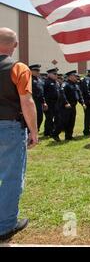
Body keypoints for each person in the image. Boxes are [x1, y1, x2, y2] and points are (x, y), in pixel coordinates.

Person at [0, 27, 38, 241]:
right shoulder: (18, 68)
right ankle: (5, 225)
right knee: (11, 177)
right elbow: (27, 101)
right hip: (9, 128)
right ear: (14, 46)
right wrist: (34, 131)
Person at [52, 70, 85, 141]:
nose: (76, 77)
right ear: (70, 76)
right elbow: (62, 94)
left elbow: (79, 95)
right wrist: (66, 103)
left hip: (73, 106)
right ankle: (55, 134)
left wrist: (82, 103)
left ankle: (69, 135)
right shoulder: (65, 84)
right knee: (63, 122)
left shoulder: (75, 85)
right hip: (65, 107)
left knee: (71, 121)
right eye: (74, 76)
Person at [43, 68, 61, 137]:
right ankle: (48, 132)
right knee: (49, 118)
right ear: (49, 74)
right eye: (54, 74)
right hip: (49, 103)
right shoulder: (46, 82)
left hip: (56, 103)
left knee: (56, 118)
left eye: (57, 74)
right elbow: (43, 93)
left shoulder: (56, 82)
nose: (56, 75)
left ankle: (53, 130)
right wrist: (44, 102)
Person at [29, 64, 47, 132]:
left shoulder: (40, 80)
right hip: (31, 102)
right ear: (31, 71)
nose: (38, 72)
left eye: (38, 70)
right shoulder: (28, 79)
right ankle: (30, 134)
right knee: (32, 119)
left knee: (40, 118)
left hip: (39, 103)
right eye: (36, 70)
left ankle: (36, 132)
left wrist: (44, 102)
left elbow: (41, 92)